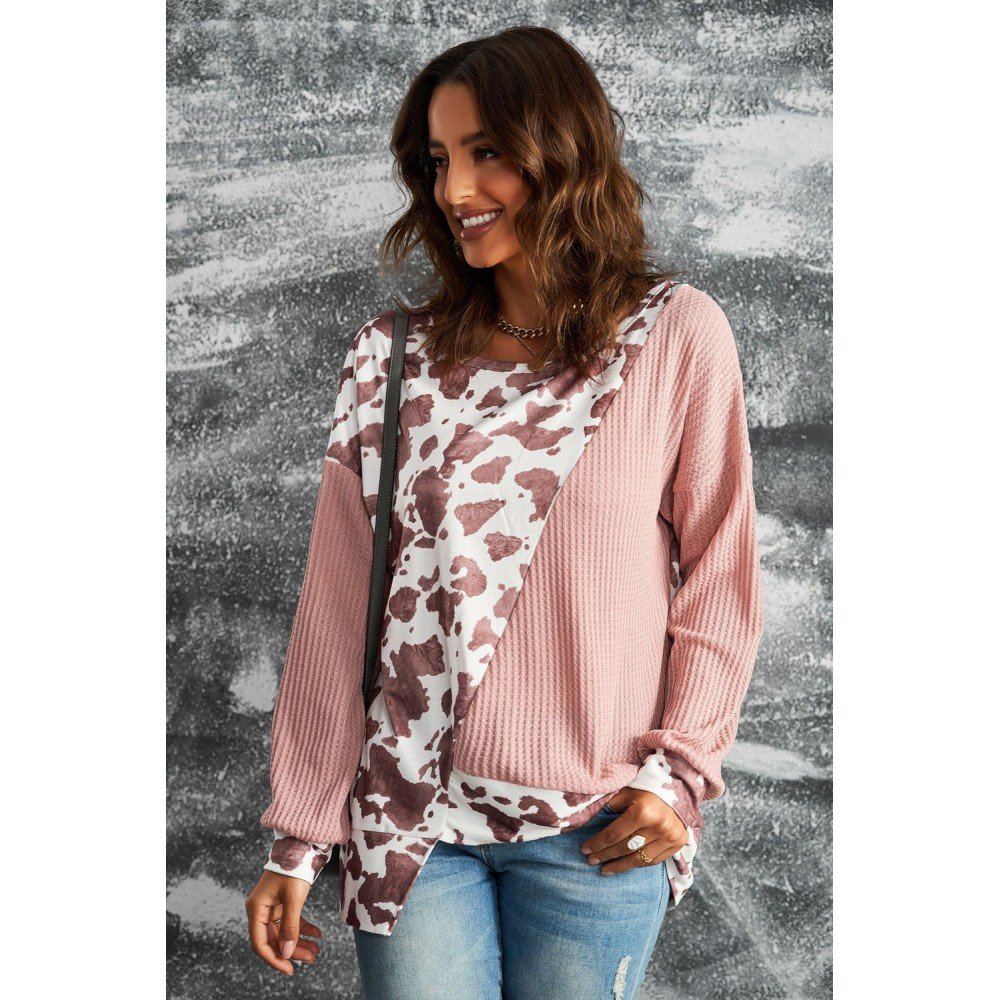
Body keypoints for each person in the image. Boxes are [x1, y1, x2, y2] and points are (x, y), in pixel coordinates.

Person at [245, 25, 763, 1000]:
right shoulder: (391, 359)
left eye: (486, 152)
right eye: (439, 160)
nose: (455, 190)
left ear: (561, 151)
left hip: (596, 826)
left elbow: (721, 581)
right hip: (410, 826)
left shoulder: (673, 336)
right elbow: (336, 610)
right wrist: (299, 835)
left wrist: (679, 773)